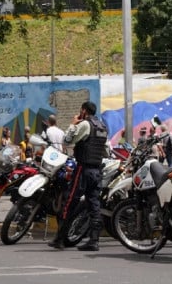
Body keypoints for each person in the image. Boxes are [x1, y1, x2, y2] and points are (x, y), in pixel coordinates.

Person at [48, 101, 108, 251]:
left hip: (83, 170)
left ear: (84, 110)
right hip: (97, 171)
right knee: (94, 204)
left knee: (69, 202)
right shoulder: (102, 127)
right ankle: (94, 241)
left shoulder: (85, 125)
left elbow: (67, 140)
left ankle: (60, 239)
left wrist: (73, 124)